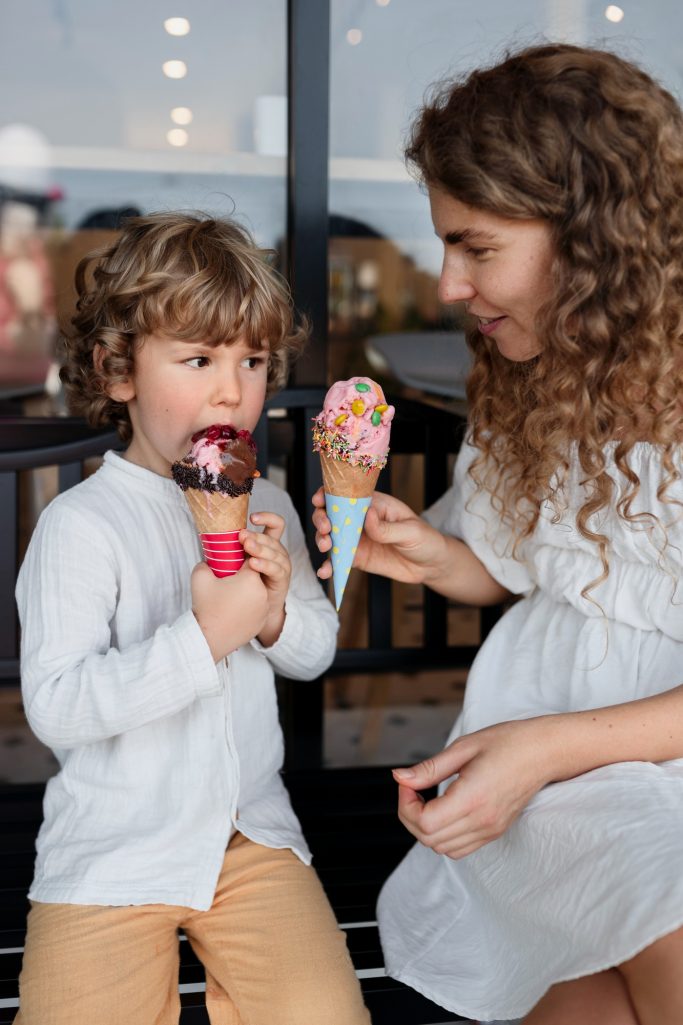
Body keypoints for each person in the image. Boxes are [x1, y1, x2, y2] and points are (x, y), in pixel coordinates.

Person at [313, 43, 683, 1025]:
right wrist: (430, 553)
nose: (444, 283)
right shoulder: (531, 380)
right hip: (548, 787)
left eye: (475, 247)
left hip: (625, 776)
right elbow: (519, 573)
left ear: (593, 237)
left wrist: (544, 750)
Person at [15, 212, 370, 1025]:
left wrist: (275, 612)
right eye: (199, 357)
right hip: (110, 850)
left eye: (252, 360)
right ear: (117, 372)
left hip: (251, 841)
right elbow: (59, 705)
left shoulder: (268, 502)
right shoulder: (83, 524)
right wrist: (208, 634)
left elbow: (313, 655)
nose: (230, 388)